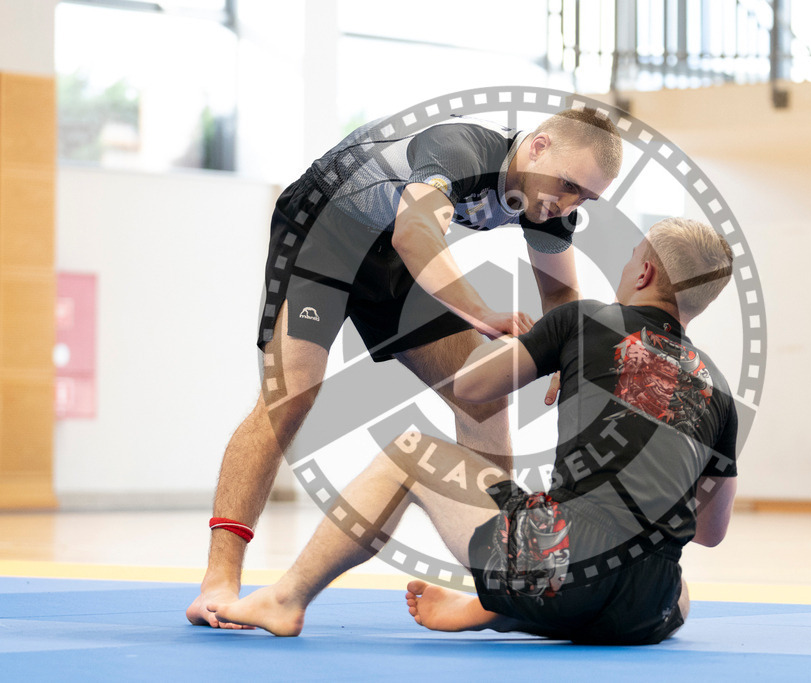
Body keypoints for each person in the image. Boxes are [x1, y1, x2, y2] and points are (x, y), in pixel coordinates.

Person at [208, 218, 740, 645]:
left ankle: (287, 598)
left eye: (629, 261)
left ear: (645, 273)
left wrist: (519, 340)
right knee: (670, 579)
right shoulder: (717, 389)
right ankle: (509, 610)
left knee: (407, 454)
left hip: (560, 569)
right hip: (648, 612)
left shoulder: (586, 319)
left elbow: (472, 386)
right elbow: (710, 532)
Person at [187, 107, 623, 628]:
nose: (567, 202)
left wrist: (561, 359)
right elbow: (416, 233)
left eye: (586, 197)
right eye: (568, 184)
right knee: (291, 394)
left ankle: (501, 582)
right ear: (538, 146)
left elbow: (559, 291)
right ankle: (219, 578)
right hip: (324, 231)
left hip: (391, 245)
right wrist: (481, 313)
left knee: (482, 392)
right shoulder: (459, 148)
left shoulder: (550, 204)